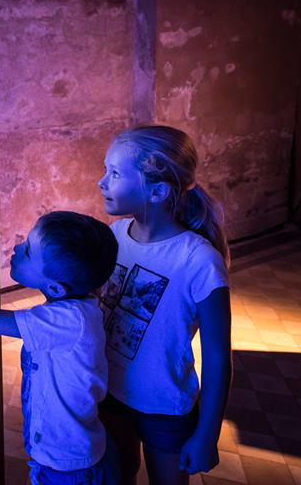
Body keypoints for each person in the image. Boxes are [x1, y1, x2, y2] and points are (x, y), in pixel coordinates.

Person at [97, 125, 232, 485]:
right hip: (109, 392)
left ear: (156, 191)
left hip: (164, 407)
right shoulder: (114, 237)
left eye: (114, 173)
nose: (101, 182)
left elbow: (218, 356)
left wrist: (207, 434)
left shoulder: (199, 260)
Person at [0, 211, 120, 485]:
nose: (17, 247)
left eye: (27, 251)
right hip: (62, 452)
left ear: (55, 287)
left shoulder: (67, 321)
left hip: (67, 463)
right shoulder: (74, 310)